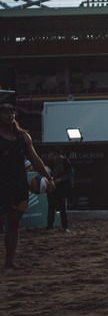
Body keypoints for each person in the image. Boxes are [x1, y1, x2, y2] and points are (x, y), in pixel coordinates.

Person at [1, 99, 54, 268]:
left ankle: (9, 261)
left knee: (14, 225)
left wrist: (49, 178)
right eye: (5, 112)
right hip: (1, 186)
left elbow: (36, 160)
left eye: (12, 112)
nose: (10, 115)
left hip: (19, 186)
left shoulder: (23, 136)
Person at [44, 148, 73, 231]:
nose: (48, 155)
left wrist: (60, 179)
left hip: (61, 188)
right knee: (51, 207)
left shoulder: (64, 161)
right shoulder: (48, 162)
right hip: (51, 187)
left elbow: (71, 173)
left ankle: (65, 227)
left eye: (49, 153)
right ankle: (50, 226)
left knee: (62, 208)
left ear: (54, 153)